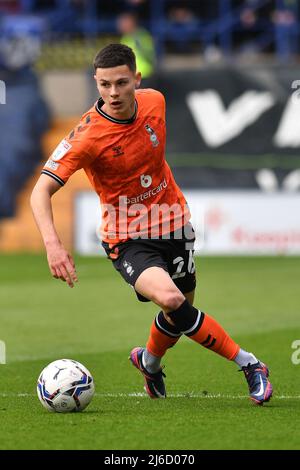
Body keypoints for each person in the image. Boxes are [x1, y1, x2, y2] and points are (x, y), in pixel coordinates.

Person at [30, 43, 273, 405]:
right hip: (127, 236)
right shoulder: (86, 137)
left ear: (136, 80)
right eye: (104, 84)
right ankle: (250, 364)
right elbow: (40, 191)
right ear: (96, 83)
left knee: (177, 314)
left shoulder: (155, 102)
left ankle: (149, 362)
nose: (113, 93)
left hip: (174, 222)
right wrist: (53, 244)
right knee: (173, 299)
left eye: (121, 83)